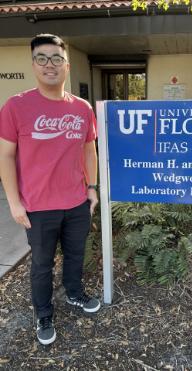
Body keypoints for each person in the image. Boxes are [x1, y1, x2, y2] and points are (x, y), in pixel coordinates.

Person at [0, 34, 100, 345]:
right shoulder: (16, 106)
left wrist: (92, 188)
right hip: (38, 206)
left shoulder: (82, 108)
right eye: (42, 58)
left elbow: (89, 150)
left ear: (67, 66)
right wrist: (14, 203)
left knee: (74, 255)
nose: (50, 65)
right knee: (42, 264)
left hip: (75, 201)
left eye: (57, 59)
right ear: (33, 64)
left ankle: (73, 293)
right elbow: (5, 155)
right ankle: (43, 312)